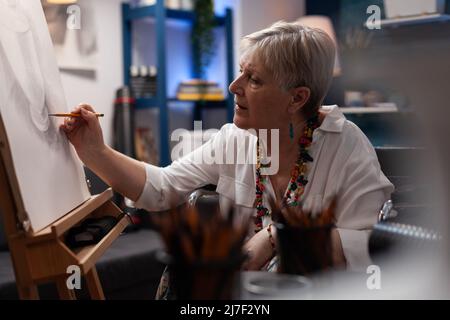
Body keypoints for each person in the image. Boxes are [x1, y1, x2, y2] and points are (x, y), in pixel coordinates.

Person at [61, 21, 394, 296]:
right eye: (240, 73)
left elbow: (367, 246)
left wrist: (278, 235)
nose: (234, 86)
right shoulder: (234, 139)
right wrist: (94, 151)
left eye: (254, 79)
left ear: (297, 98)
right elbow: (160, 188)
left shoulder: (347, 148)